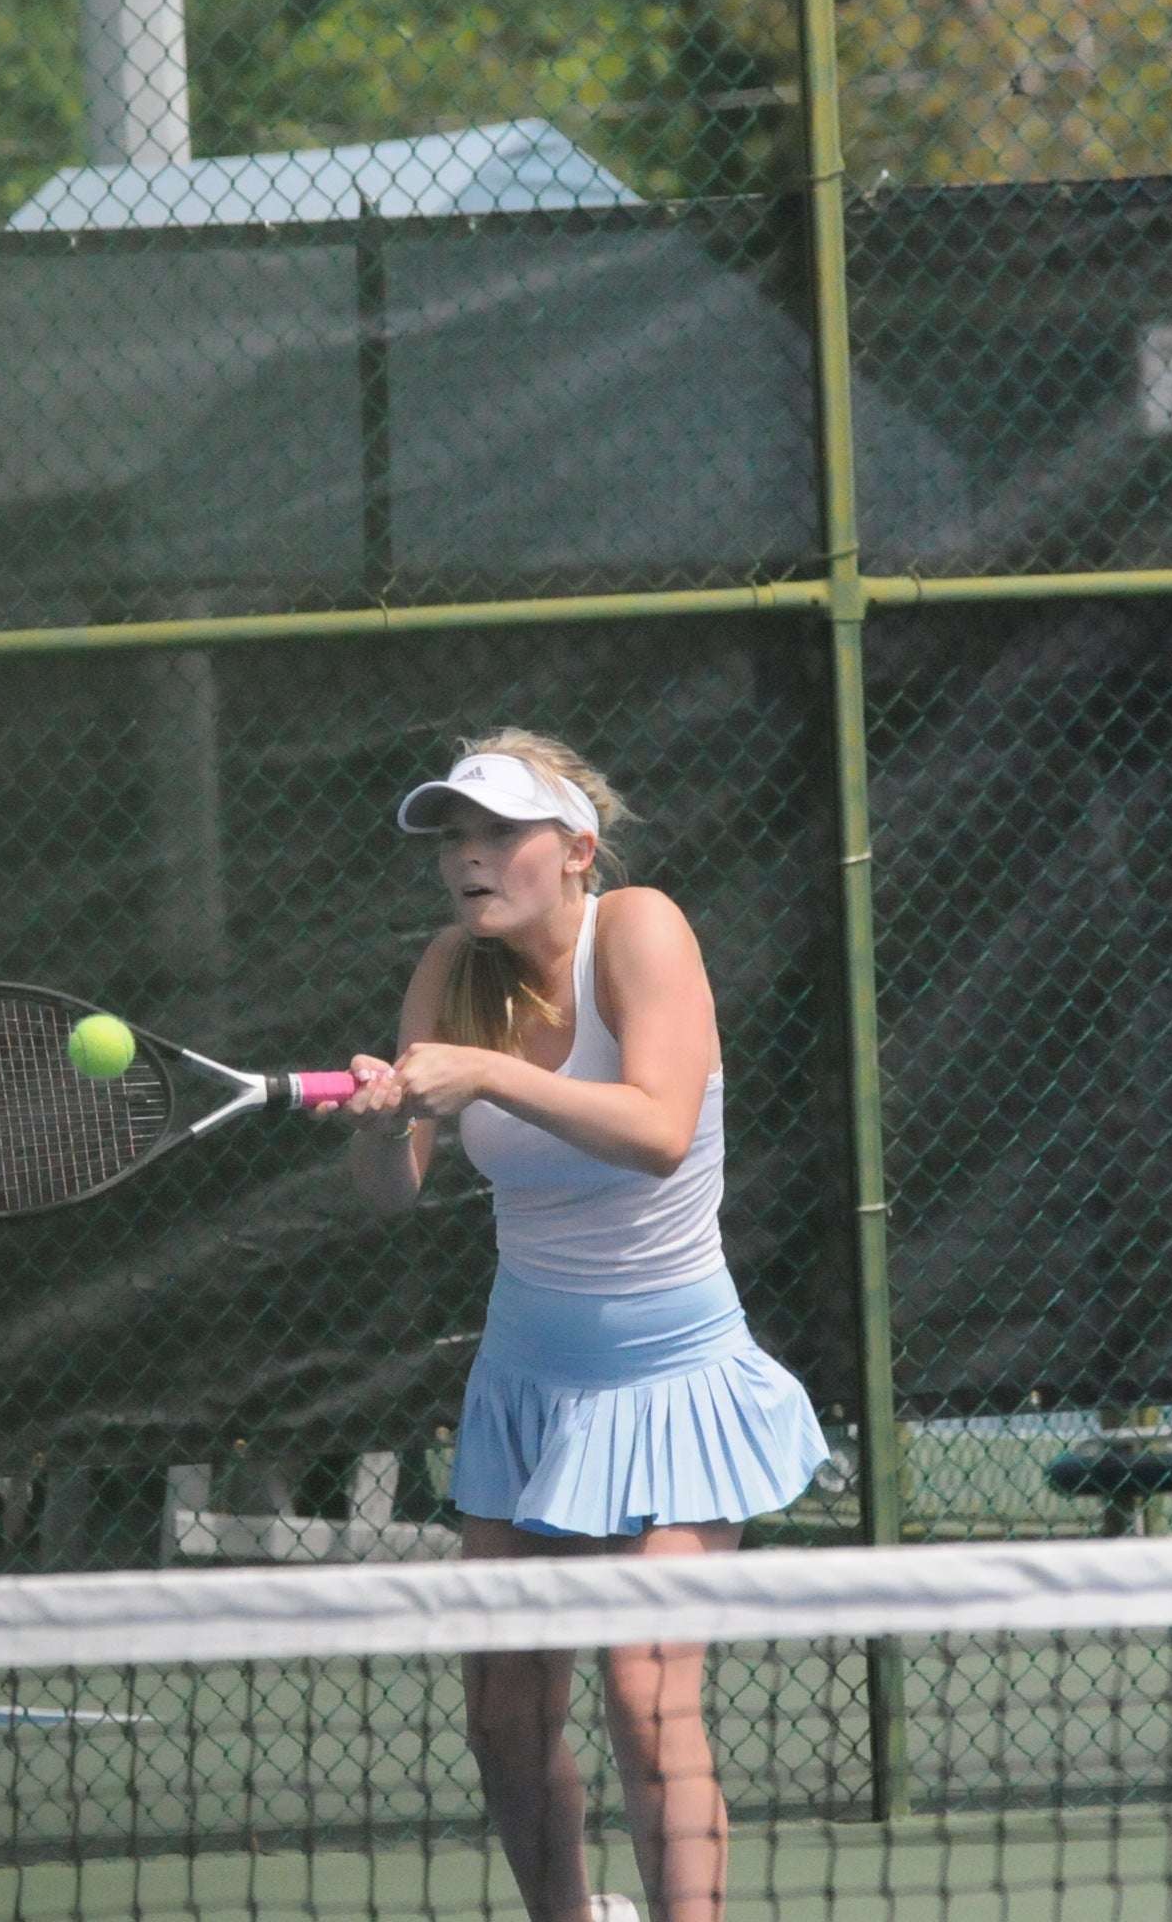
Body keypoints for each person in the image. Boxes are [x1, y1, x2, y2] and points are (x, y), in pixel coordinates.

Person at [340, 730, 830, 1922]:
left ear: (576, 852)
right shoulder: (451, 969)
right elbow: (392, 1188)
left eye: (501, 832)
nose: (470, 858)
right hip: (528, 1387)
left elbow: (659, 1130)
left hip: (675, 1377)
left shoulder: (643, 928)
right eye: (454, 836)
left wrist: (491, 1077)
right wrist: (371, 1118)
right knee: (503, 1719)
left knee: (649, 1700)